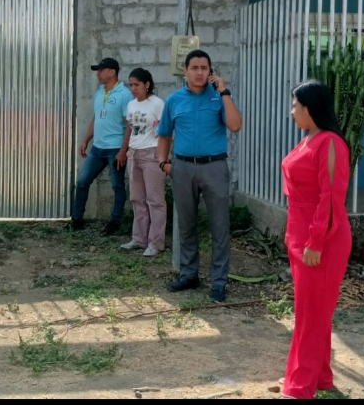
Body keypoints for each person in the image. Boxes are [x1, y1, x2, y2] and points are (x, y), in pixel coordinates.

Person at [279, 80, 352, 399]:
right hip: (302, 236)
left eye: (295, 105)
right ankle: (321, 377)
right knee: (313, 311)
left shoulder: (330, 142)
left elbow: (331, 198)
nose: (292, 111)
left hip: (322, 240)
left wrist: (316, 242)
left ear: (310, 108)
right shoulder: (309, 138)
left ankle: (299, 387)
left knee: (311, 316)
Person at [157, 49, 242, 303]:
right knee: (186, 224)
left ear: (210, 71)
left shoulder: (218, 97)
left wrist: (224, 91)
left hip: (214, 167)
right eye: (194, 68)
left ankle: (219, 282)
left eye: (204, 68)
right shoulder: (174, 100)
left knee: (220, 227)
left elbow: (235, 125)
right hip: (183, 167)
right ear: (185, 70)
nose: (199, 73)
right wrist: (163, 163)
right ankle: (188, 275)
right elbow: (164, 134)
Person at [72, 58, 134, 235]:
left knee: (117, 186)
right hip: (97, 148)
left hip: (115, 149)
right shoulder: (99, 92)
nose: (98, 73)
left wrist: (123, 150)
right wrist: (86, 140)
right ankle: (77, 219)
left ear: (112, 72)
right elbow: (96, 117)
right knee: (82, 182)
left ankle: (115, 222)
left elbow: (130, 124)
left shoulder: (125, 94)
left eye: (101, 70)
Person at [118, 68, 167, 257]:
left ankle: (155, 242)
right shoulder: (131, 105)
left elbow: (165, 131)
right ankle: (139, 238)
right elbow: (130, 128)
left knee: (155, 200)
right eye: (131, 85)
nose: (133, 88)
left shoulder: (157, 104)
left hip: (152, 154)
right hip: (134, 153)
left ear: (147, 84)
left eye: (136, 84)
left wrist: (163, 156)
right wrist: (125, 150)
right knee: (137, 198)